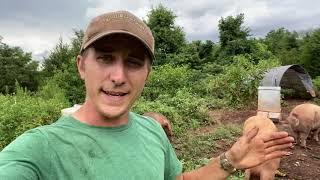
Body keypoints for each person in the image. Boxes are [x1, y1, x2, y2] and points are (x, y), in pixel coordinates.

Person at [0, 10, 294, 180]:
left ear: (147, 74)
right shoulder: (37, 150)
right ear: (81, 66)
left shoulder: (152, 130)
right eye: (105, 58)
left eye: (133, 62)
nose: (118, 76)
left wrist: (228, 160)